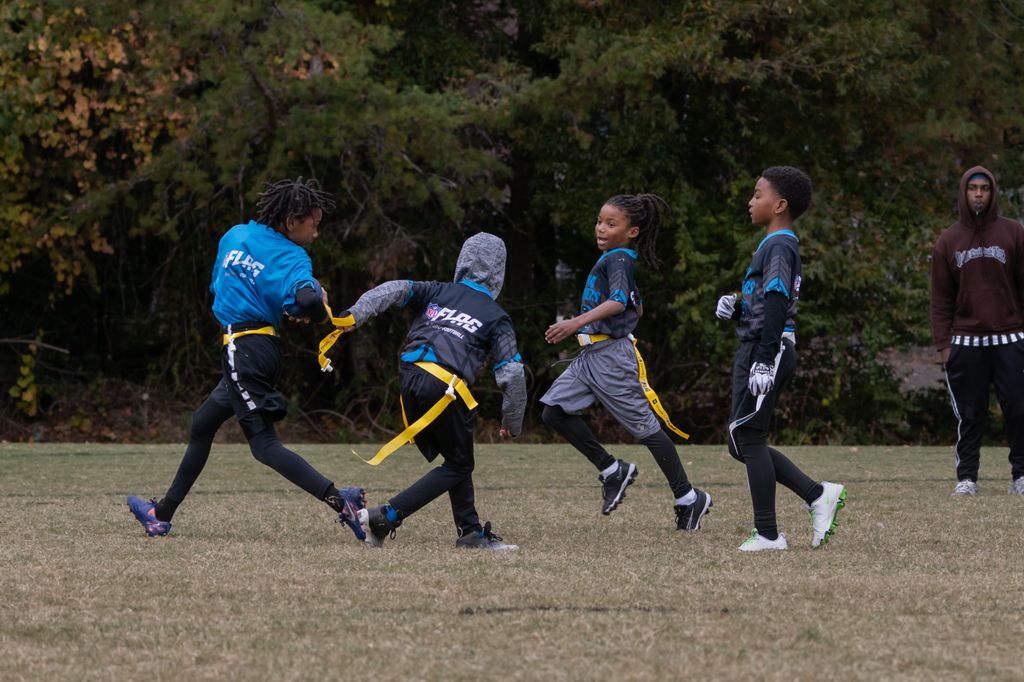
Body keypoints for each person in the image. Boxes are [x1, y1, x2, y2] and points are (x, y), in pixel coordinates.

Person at [126, 178, 366, 539]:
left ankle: (340, 500)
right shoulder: (294, 258)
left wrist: (308, 303)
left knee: (264, 446)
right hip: (256, 350)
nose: (316, 233)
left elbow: (221, 286)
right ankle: (161, 512)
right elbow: (308, 300)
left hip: (244, 348)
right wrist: (315, 308)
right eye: (313, 224)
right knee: (203, 423)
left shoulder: (234, 236)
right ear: (291, 222)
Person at [336, 232, 527, 550]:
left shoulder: (439, 291)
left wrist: (357, 313)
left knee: (458, 457)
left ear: (463, 262)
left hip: (410, 375)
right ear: (499, 273)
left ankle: (470, 533)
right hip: (445, 387)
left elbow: (395, 289)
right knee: (459, 464)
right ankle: (385, 517)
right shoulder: (497, 317)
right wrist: (513, 421)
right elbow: (512, 372)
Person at [539, 193, 713, 531]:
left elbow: (619, 301)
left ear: (632, 231)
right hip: (591, 356)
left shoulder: (619, 258)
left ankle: (689, 498)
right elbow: (635, 305)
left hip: (610, 359)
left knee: (646, 429)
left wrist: (575, 322)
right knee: (553, 410)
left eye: (611, 223)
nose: (600, 228)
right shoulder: (616, 258)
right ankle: (611, 470)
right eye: (599, 221)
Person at [716, 166, 845, 551]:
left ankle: (769, 533)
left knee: (747, 436)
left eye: (758, 194)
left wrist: (764, 358)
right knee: (740, 440)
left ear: (780, 205)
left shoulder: (779, 245)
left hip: (766, 350)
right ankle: (816, 494)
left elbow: (777, 301)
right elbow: (765, 301)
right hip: (758, 346)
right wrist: (737, 309)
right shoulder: (773, 244)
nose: (750, 201)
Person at [931, 165, 1024, 497]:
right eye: (973, 189)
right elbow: (940, 298)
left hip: (1011, 337)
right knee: (969, 413)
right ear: (964, 193)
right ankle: (967, 477)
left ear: (993, 192)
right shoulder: (949, 240)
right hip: (966, 341)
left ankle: (1021, 475)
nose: (979, 194)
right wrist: (944, 346)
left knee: (1018, 407)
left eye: (985, 188)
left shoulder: (1014, 233)